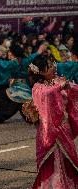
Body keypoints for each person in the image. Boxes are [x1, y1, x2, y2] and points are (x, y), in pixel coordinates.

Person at [26, 55, 78, 188]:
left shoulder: (57, 82)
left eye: (54, 64)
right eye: (50, 66)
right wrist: (59, 87)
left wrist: (68, 87)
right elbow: (46, 94)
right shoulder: (38, 88)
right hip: (48, 131)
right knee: (51, 164)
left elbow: (74, 90)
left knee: (67, 162)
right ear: (41, 71)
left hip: (63, 129)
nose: (54, 67)